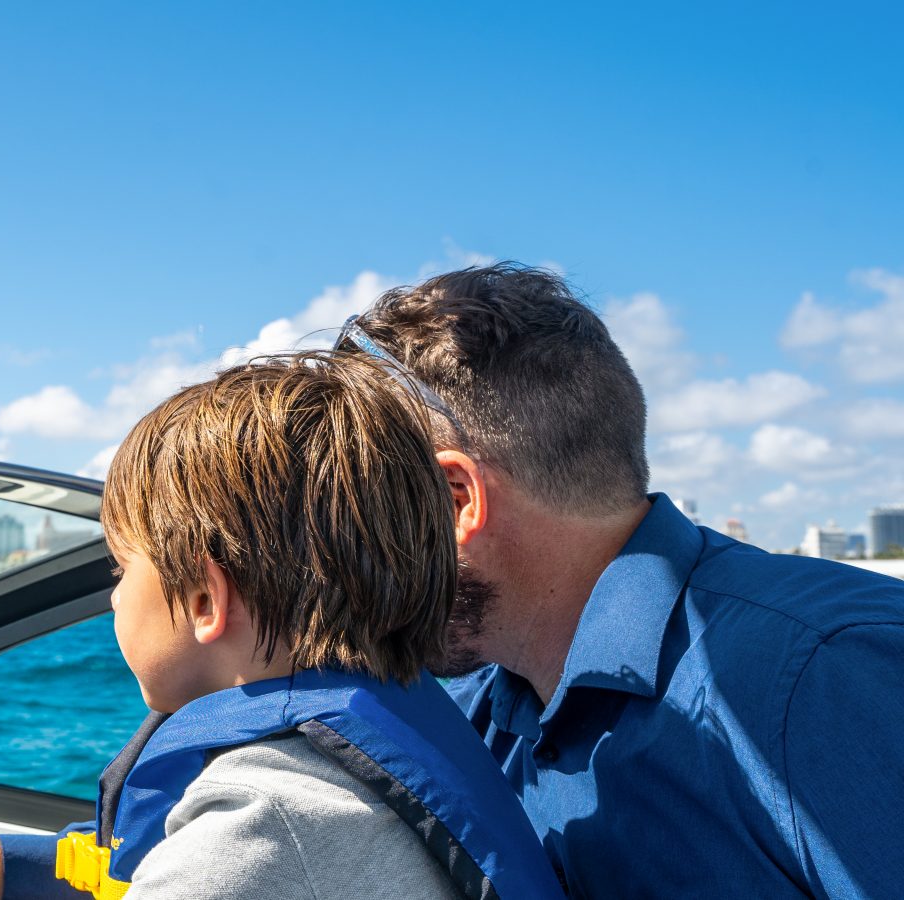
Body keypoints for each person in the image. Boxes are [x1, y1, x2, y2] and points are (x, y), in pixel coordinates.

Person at [0, 353, 562, 900]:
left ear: (203, 599)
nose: (113, 598)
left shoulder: (267, 824)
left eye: (121, 569)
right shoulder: (367, 748)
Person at [340, 263, 904, 898]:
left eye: (358, 515)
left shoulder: (828, 674)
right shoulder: (475, 714)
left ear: (457, 500)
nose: (343, 560)